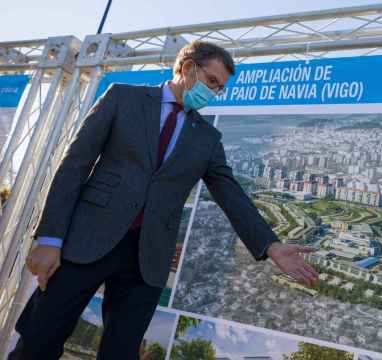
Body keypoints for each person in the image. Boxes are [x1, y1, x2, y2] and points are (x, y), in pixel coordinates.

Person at [8, 40, 318, 360]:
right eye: (212, 81)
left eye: (220, 88)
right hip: (84, 242)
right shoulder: (122, 97)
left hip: (147, 261)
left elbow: (231, 193)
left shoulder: (207, 138)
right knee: (39, 340)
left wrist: (270, 245)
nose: (214, 92)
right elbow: (74, 166)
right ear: (187, 68)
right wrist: (49, 237)